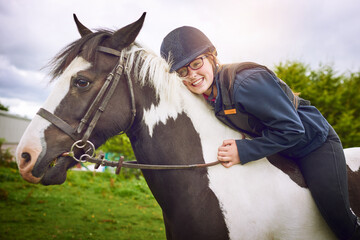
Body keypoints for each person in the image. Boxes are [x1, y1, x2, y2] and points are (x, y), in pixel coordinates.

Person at [160, 26, 360, 240]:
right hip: (281, 149)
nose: (192, 75)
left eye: (196, 64)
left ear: (211, 56)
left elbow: (293, 130)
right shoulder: (208, 95)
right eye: (182, 72)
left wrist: (243, 151)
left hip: (313, 144)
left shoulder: (246, 83)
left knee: (339, 219)